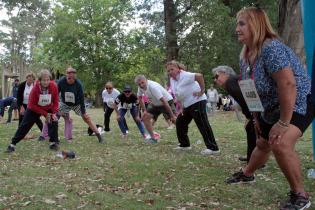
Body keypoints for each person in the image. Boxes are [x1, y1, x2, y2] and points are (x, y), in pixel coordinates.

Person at [226, 7, 313, 210]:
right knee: (263, 142)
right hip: (271, 106)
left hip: (299, 101)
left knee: (280, 143)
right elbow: (250, 88)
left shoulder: (271, 48)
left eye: (242, 23)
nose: (237, 28)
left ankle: (300, 195)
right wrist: (256, 117)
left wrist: (283, 123)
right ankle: (247, 174)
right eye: (237, 24)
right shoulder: (245, 55)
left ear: (256, 25)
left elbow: (288, 84)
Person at [166, 60, 219, 155]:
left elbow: (199, 76)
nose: (170, 72)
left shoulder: (185, 75)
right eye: (168, 70)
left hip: (197, 101)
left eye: (172, 69)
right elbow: (179, 94)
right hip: (187, 104)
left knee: (202, 123)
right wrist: (181, 107)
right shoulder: (172, 80)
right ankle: (184, 145)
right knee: (180, 122)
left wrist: (202, 90)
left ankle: (213, 148)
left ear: (178, 69)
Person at [6, 69, 59, 153]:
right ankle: (12, 144)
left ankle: (53, 143)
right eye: (44, 80)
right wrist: (44, 113)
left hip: (48, 107)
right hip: (34, 108)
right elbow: (31, 105)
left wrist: (53, 113)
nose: (46, 82)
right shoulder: (35, 89)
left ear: (50, 79)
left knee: (54, 120)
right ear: (40, 80)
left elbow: (56, 101)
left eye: (48, 80)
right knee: (24, 125)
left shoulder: (54, 86)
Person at [212, 65, 256, 162]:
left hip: (258, 111)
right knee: (251, 130)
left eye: (216, 76)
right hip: (257, 110)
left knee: (254, 131)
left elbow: (245, 99)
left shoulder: (230, 82)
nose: (215, 80)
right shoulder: (233, 81)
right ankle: (252, 158)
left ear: (224, 73)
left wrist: (250, 116)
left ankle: (255, 160)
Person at [58, 67, 104, 143]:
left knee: (87, 118)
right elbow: (55, 93)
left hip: (77, 104)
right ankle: (47, 136)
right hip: (65, 103)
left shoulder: (78, 84)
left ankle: (99, 136)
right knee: (54, 114)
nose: (69, 76)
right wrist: (56, 106)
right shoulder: (61, 81)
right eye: (68, 74)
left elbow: (82, 99)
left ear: (75, 76)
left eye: (71, 74)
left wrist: (83, 112)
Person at [135, 75, 177, 144]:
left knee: (175, 120)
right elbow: (139, 98)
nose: (141, 85)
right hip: (155, 104)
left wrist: (172, 116)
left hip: (166, 102)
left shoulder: (153, 87)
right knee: (145, 117)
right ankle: (153, 138)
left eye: (142, 83)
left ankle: (184, 140)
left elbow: (164, 101)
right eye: (139, 84)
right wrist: (144, 110)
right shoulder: (140, 87)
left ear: (146, 80)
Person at [16, 72, 44, 140]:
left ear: (33, 79)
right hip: (23, 104)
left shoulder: (35, 85)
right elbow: (18, 97)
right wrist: (21, 107)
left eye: (31, 79)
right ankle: (20, 135)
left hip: (33, 105)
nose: (30, 81)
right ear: (26, 78)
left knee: (36, 119)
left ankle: (44, 132)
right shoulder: (21, 85)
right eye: (28, 79)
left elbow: (38, 95)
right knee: (22, 119)